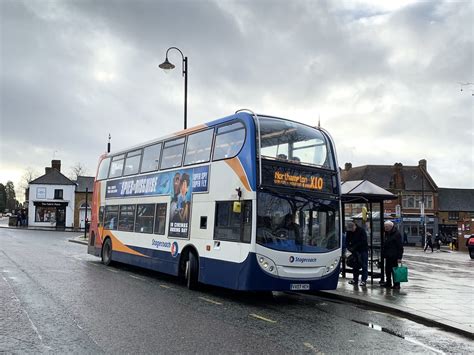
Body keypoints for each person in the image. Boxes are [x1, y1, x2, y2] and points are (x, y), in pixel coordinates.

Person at [381, 220, 404, 290]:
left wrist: (399, 257)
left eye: (387, 227)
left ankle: (396, 284)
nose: (385, 228)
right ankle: (388, 283)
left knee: (395, 271)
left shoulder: (397, 234)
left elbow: (400, 246)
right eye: (385, 227)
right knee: (387, 270)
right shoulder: (387, 233)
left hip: (394, 256)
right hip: (388, 256)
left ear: (391, 226)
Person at [346, 221, 369, 287]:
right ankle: (355, 279)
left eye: (352, 229)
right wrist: (349, 248)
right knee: (355, 266)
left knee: (364, 265)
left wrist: (354, 247)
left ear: (355, 226)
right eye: (350, 229)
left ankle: (363, 280)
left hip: (362, 250)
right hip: (354, 251)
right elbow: (347, 241)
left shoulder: (361, 231)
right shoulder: (349, 231)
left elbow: (363, 241)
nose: (351, 231)